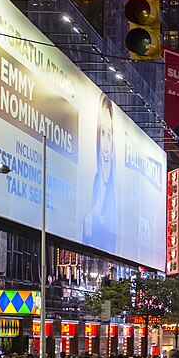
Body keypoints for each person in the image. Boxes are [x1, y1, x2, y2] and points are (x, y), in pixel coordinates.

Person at [82, 94, 118, 253]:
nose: (106, 144)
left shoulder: (114, 195)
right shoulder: (94, 182)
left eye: (109, 135)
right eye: (102, 133)